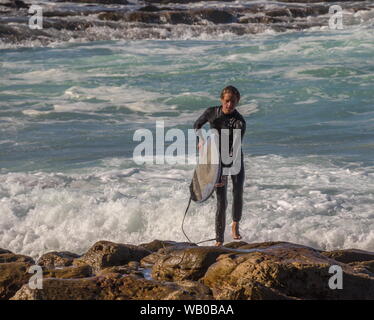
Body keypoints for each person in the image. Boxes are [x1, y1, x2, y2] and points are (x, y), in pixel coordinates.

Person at [193, 86, 246, 246]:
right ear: (221, 99)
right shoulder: (211, 112)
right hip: (216, 160)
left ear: (238, 101)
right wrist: (201, 140)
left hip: (234, 159)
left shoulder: (239, 122)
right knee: (221, 201)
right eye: (227, 100)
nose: (230, 104)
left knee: (237, 192)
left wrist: (223, 173)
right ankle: (219, 240)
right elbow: (197, 125)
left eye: (233, 101)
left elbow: (233, 149)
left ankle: (235, 223)